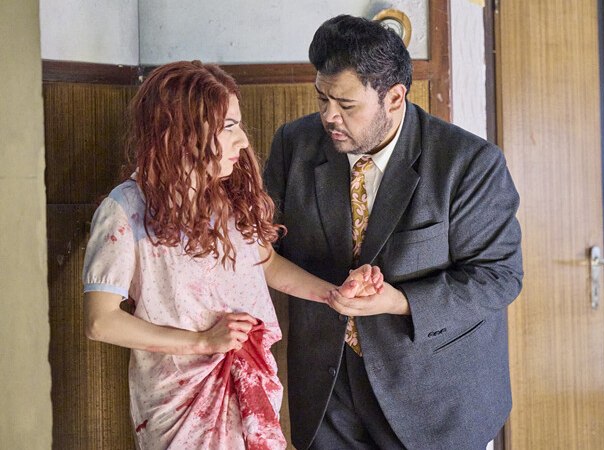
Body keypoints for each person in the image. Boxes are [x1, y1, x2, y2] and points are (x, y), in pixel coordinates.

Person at [82, 60, 383, 450]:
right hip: (179, 405)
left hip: (250, 390)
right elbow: (100, 323)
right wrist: (205, 343)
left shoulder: (229, 197)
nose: (243, 141)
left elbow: (267, 263)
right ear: (180, 132)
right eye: (228, 127)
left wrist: (334, 295)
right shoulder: (125, 210)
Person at [263, 15, 523, 450]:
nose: (329, 116)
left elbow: (499, 277)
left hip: (434, 395)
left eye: (346, 105)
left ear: (395, 98)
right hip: (327, 385)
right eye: (322, 98)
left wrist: (400, 302)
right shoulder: (295, 143)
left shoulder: (469, 163)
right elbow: (262, 239)